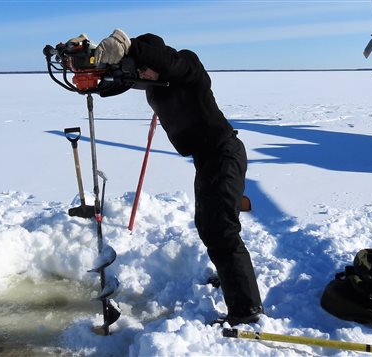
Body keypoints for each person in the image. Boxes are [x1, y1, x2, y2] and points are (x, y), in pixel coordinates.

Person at [95, 29, 264, 325]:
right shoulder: (154, 83)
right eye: (139, 70)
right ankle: (231, 279)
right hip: (206, 159)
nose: (143, 73)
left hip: (224, 153)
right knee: (208, 225)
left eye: (146, 65)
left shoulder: (187, 67)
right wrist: (95, 71)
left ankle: (246, 310)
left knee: (221, 231)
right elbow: (115, 84)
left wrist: (129, 45)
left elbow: (166, 62)